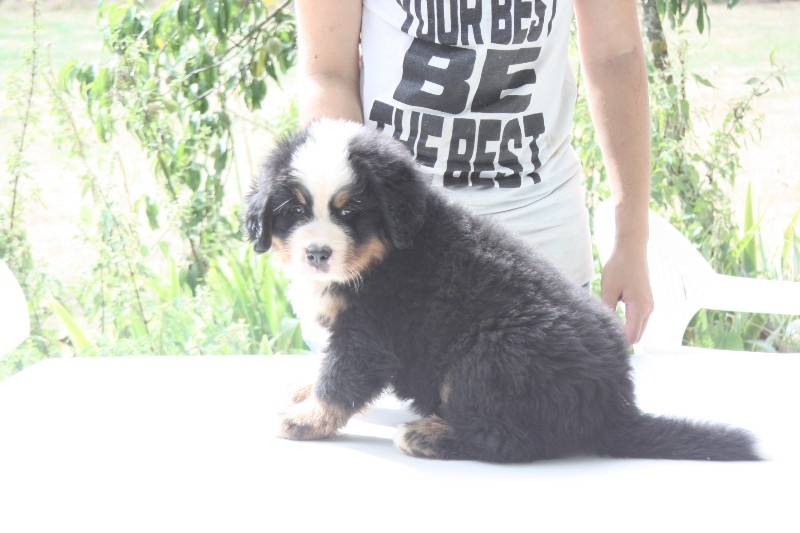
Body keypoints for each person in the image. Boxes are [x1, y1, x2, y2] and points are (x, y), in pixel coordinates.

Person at [293, 0, 653, 345]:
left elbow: (616, 56)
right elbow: (328, 72)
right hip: (390, 251)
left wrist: (631, 242)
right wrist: (346, 232)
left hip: (541, 249)